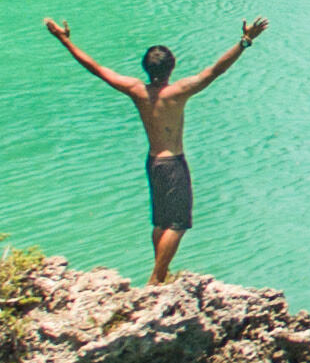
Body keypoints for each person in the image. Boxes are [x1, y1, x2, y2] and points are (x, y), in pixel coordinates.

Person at [43, 15, 267, 285]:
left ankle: (160, 274)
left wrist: (64, 39)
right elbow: (216, 70)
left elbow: (96, 68)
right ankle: (157, 277)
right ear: (172, 67)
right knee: (178, 224)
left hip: (153, 162)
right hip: (173, 164)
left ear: (145, 68)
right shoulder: (178, 91)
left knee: (161, 222)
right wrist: (244, 41)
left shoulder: (136, 90)